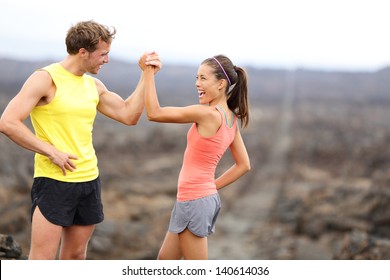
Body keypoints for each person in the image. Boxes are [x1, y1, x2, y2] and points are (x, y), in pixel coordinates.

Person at [0, 20, 161, 260]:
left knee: (75, 257)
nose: (106, 60)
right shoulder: (46, 79)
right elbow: (8, 122)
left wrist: (146, 75)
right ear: (83, 52)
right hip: (54, 180)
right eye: (103, 54)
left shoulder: (93, 85)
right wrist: (50, 151)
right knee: (42, 258)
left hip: (89, 180)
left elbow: (129, 115)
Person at [139, 54, 251, 259]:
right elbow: (244, 165)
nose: (197, 84)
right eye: (196, 78)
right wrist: (209, 188)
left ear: (221, 84)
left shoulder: (207, 114)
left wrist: (148, 73)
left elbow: (154, 113)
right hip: (195, 198)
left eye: (203, 78)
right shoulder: (231, 120)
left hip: (195, 201)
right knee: (164, 262)